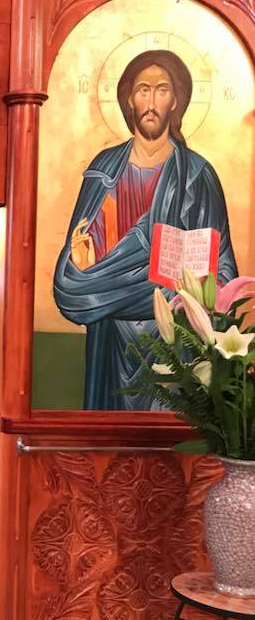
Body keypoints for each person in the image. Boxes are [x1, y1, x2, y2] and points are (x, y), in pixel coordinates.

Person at [53, 50, 237, 410]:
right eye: (143, 90)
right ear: (128, 99)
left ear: (176, 101)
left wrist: (192, 288)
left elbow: (222, 270)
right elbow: (73, 279)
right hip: (111, 337)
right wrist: (81, 266)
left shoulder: (197, 176)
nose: (151, 102)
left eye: (162, 90)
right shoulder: (103, 171)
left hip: (174, 340)